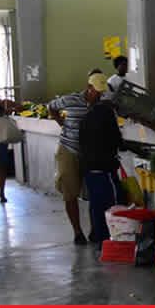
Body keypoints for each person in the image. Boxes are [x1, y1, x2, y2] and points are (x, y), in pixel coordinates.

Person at [47, 73, 107, 244]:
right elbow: (51, 106)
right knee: (70, 191)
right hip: (69, 150)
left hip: (90, 154)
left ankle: (95, 230)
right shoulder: (71, 100)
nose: (100, 95)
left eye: (102, 92)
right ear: (89, 88)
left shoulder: (102, 104)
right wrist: (61, 123)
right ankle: (77, 232)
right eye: (97, 91)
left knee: (93, 193)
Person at [79, 89, 123, 245]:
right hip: (104, 168)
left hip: (89, 168)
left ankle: (97, 235)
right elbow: (116, 139)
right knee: (112, 204)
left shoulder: (85, 117)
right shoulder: (107, 115)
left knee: (95, 203)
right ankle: (109, 238)